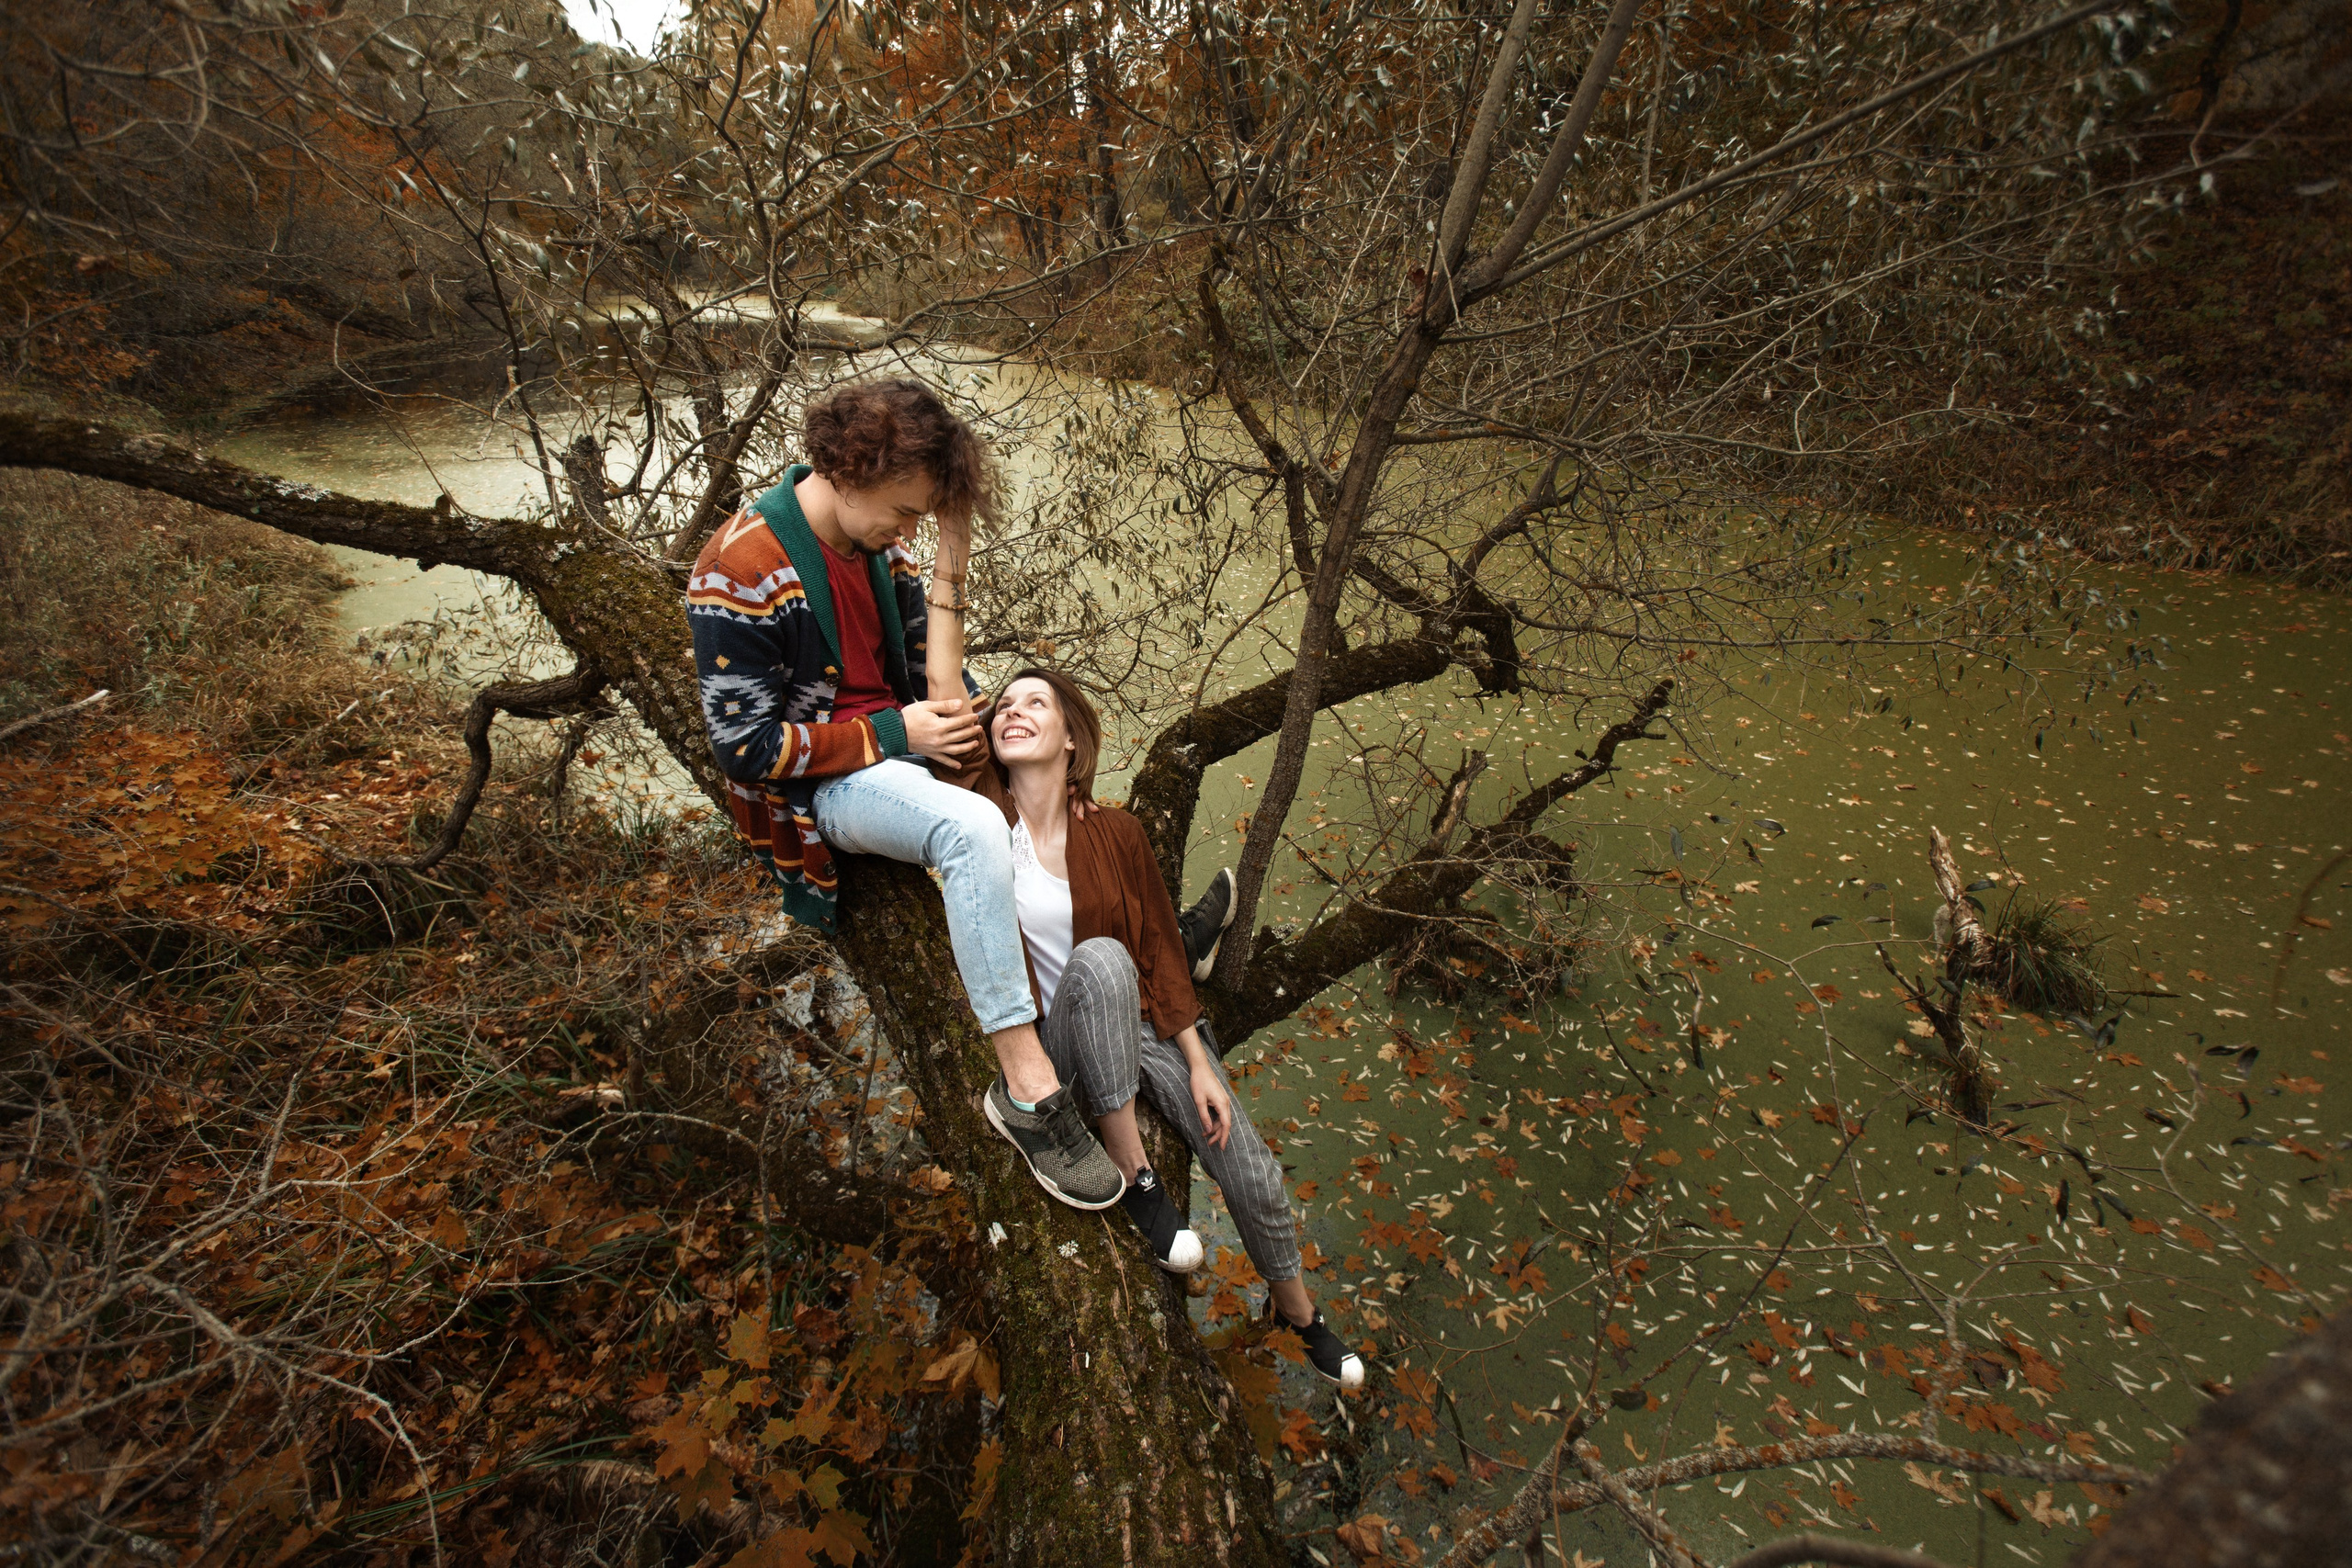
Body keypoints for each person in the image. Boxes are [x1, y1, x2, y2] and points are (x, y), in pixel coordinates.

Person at [686, 378, 1124, 1213]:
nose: (909, 530)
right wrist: (899, 735)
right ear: (848, 470)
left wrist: (962, 704)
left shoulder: (881, 549)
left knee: (1038, 751)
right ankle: (1027, 1091)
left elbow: (937, 679)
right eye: (905, 509)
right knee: (970, 827)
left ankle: (1141, 926)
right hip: (824, 789)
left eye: (924, 517)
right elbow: (744, 751)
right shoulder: (738, 569)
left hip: (897, 749)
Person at [950, 665, 1365, 1390]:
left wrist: (1198, 1059)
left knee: (1251, 1165)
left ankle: (1299, 1313)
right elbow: (948, 712)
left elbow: (1161, 957)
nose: (1013, 712)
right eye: (1004, 707)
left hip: (1139, 1024)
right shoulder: (983, 820)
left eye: (1035, 702)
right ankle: (1136, 1175)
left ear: (1072, 738)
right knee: (1103, 963)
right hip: (1057, 1048)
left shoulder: (1117, 831)